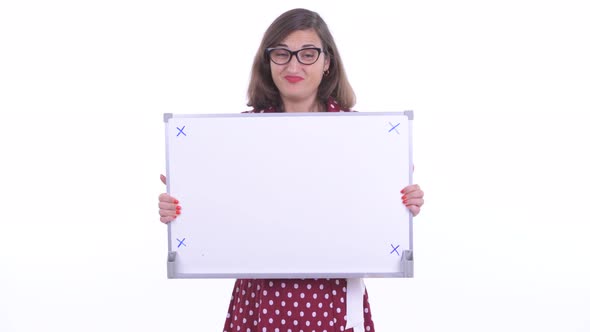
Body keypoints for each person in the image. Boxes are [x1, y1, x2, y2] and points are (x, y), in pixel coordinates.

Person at [158, 8, 425, 332]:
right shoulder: (235, 137)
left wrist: (402, 204)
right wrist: (185, 207)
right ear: (267, 61)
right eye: (282, 53)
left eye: (308, 54)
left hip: (333, 297)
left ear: (328, 62)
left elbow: (375, 216)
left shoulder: (365, 137)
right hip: (261, 297)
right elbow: (219, 213)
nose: (294, 65)